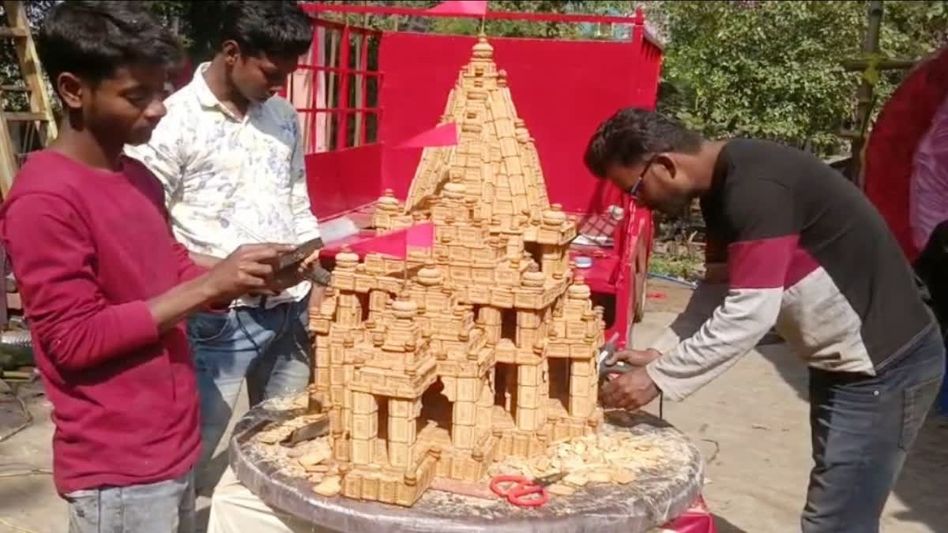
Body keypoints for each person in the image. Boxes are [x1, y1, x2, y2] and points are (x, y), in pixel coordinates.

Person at [0, 3, 302, 532]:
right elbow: (73, 339)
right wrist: (209, 284)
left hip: (172, 442)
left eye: (162, 91)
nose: (160, 109)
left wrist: (243, 277)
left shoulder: (138, 178)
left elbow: (172, 268)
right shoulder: (44, 200)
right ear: (73, 90)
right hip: (118, 466)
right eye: (138, 96)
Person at [584, 108, 946, 533]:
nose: (638, 202)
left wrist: (658, 377)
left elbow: (750, 313)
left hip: (886, 366)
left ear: (665, 164)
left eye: (636, 189)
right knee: (836, 500)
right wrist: (661, 350)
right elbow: (718, 290)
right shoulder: (721, 193)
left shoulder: (757, 185)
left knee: (837, 518)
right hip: (844, 363)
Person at [124, 0, 326, 476]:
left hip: (290, 311)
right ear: (232, 52)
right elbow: (147, 233)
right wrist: (223, 274)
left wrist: (315, 277)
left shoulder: (282, 116)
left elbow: (297, 199)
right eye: (271, 73)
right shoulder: (171, 121)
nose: (279, 86)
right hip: (217, 321)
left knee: (281, 449)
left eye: (287, 75)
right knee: (188, 457)